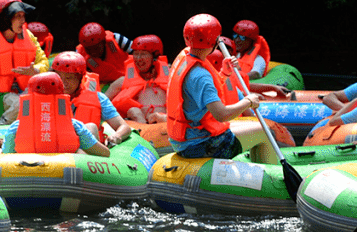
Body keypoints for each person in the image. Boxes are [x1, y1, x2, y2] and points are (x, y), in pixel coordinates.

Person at [166, 14, 261, 159]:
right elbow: (222, 115)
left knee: (238, 127)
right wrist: (249, 101)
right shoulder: (201, 75)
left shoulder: (185, 57)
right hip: (201, 145)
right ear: (215, 42)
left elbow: (200, 92)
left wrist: (224, 73)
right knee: (263, 132)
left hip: (183, 140)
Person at [2, 73, 109, 156]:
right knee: (89, 132)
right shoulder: (74, 125)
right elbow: (104, 153)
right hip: (69, 174)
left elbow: (6, 156)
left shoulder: (16, 127)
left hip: (26, 174)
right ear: (61, 95)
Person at [51, 51, 131, 146]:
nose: (63, 83)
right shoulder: (44, 96)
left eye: (69, 78)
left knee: (90, 127)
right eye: (59, 78)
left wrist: (117, 136)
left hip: (85, 152)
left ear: (80, 78)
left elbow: (124, 126)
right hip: (54, 148)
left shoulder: (99, 98)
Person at [0, 0, 50, 125]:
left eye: (23, 16)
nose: (23, 21)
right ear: (5, 18)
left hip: (25, 90)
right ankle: (3, 124)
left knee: (43, 97)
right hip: (2, 95)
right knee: (18, 104)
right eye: (18, 16)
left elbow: (43, 61)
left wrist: (36, 70)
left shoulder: (29, 36)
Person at [105, 35, 170, 124]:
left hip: (165, 125)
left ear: (155, 56)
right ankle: (144, 129)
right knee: (134, 111)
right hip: (139, 127)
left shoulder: (171, 78)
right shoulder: (122, 81)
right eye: (136, 54)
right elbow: (101, 101)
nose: (138, 59)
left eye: (143, 54)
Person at [75, 22, 133, 87]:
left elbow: (139, 52)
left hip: (130, 77)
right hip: (104, 85)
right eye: (88, 49)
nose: (93, 52)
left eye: (96, 48)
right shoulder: (79, 55)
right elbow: (77, 78)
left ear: (104, 42)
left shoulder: (117, 39)